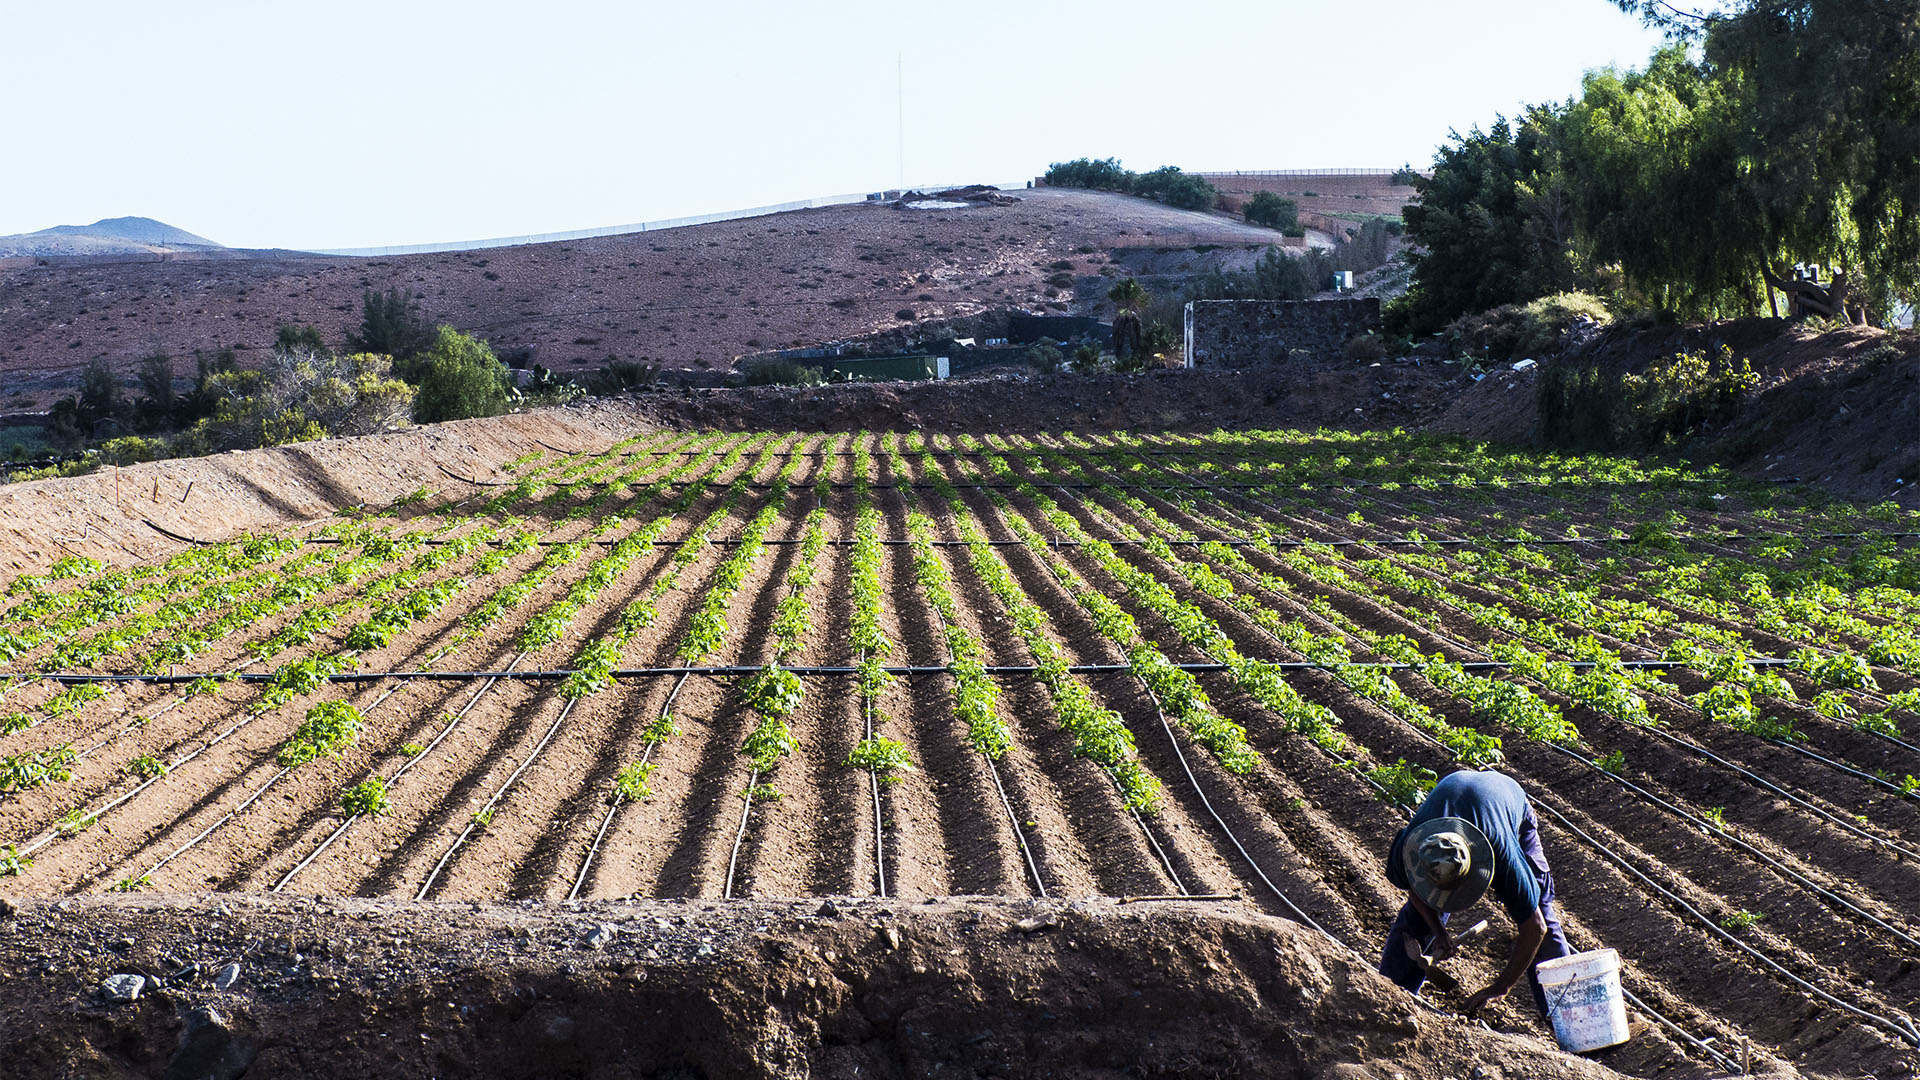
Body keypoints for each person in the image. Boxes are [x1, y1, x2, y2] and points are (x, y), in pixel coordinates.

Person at [1379, 768, 1572, 1015]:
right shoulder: (1410, 847)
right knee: (1418, 920)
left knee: (1539, 906)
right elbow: (1415, 889)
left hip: (1507, 800)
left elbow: (1535, 927)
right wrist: (1438, 932)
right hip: (1458, 790)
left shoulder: (1503, 853)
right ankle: (1390, 998)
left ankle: (1566, 1012)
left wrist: (1501, 987)